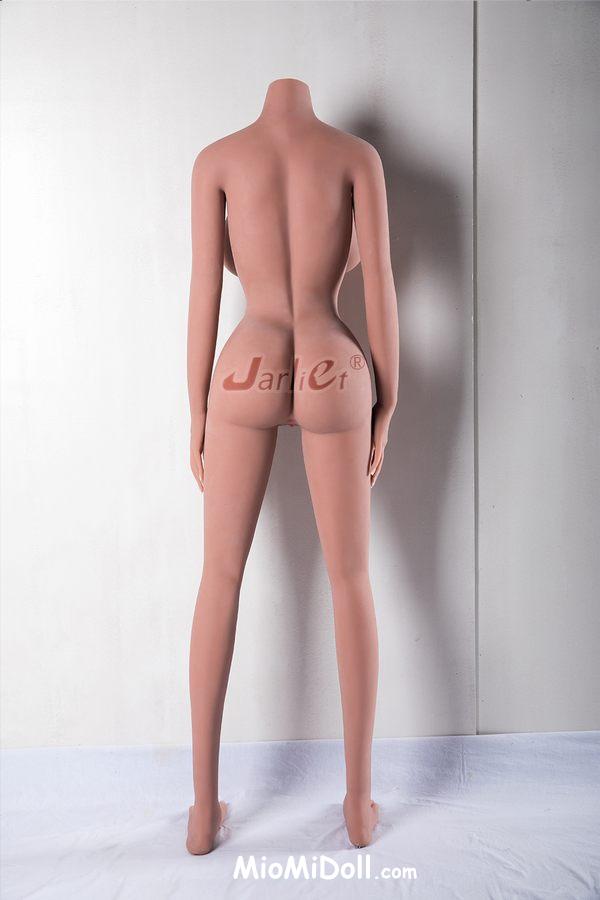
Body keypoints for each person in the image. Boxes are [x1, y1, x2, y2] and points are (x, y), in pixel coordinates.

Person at [186, 78, 399, 854]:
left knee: (219, 577)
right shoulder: (356, 157)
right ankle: (358, 805)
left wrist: (196, 409)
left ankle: (202, 813)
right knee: (352, 578)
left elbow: (205, 288)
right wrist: (387, 404)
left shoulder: (218, 159)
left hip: (245, 362)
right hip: (332, 363)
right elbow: (380, 283)